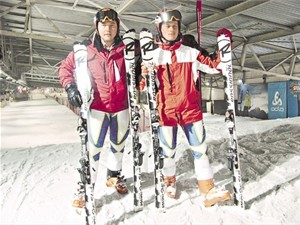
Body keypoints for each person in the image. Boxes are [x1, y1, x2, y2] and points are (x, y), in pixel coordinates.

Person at [141, 9, 232, 207]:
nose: (171, 29)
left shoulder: (190, 51)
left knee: (200, 149)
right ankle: (169, 181)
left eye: (175, 26)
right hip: (165, 111)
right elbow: (140, 85)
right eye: (167, 26)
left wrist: (224, 48)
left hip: (190, 109)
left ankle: (208, 189)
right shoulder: (153, 55)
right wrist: (142, 72)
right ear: (160, 29)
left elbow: (214, 66)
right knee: (168, 151)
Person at [58, 8, 133, 205]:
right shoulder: (85, 50)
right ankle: (85, 187)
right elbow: (64, 68)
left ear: (117, 26)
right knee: (94, 148)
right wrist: (70, 87)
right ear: (96, 26)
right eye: (104, 25)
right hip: (97, 107)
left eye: (112, 25)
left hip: (121, 107)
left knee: (118, 144)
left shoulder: (127, 49)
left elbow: (144, 64)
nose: (108, 29)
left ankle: (114, 175)